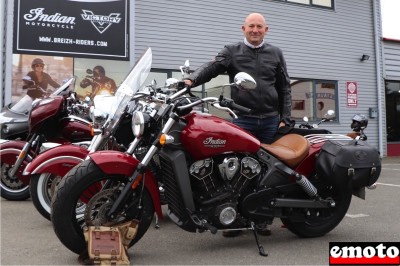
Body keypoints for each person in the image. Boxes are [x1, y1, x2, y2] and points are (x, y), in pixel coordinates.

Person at [184, 12, 292, 237]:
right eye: (251, 26)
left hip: (271, 120)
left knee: (267, 171)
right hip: (243, 119)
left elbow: (284, 87)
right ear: (243, 28)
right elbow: (211, 68)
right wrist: (191, 80)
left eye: (259, 27)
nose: (255, 30)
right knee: (235, 169)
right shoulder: (231, 51)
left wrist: (286, 117)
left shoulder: (275, 53)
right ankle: (232, 220)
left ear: (266, 30)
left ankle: (262, 219)